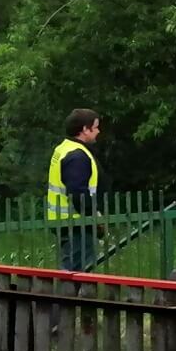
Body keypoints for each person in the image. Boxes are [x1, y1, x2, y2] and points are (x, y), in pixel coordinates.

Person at [47, 109, 103, 272]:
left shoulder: (63, 148)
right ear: (85, 129)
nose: (99, 131)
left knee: (72, 269)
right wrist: (94, 217)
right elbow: (78, 193)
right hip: (77, 223)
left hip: (65, 220)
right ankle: (68, 297)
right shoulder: (77, 155)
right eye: (96, 127)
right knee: (76, 273)